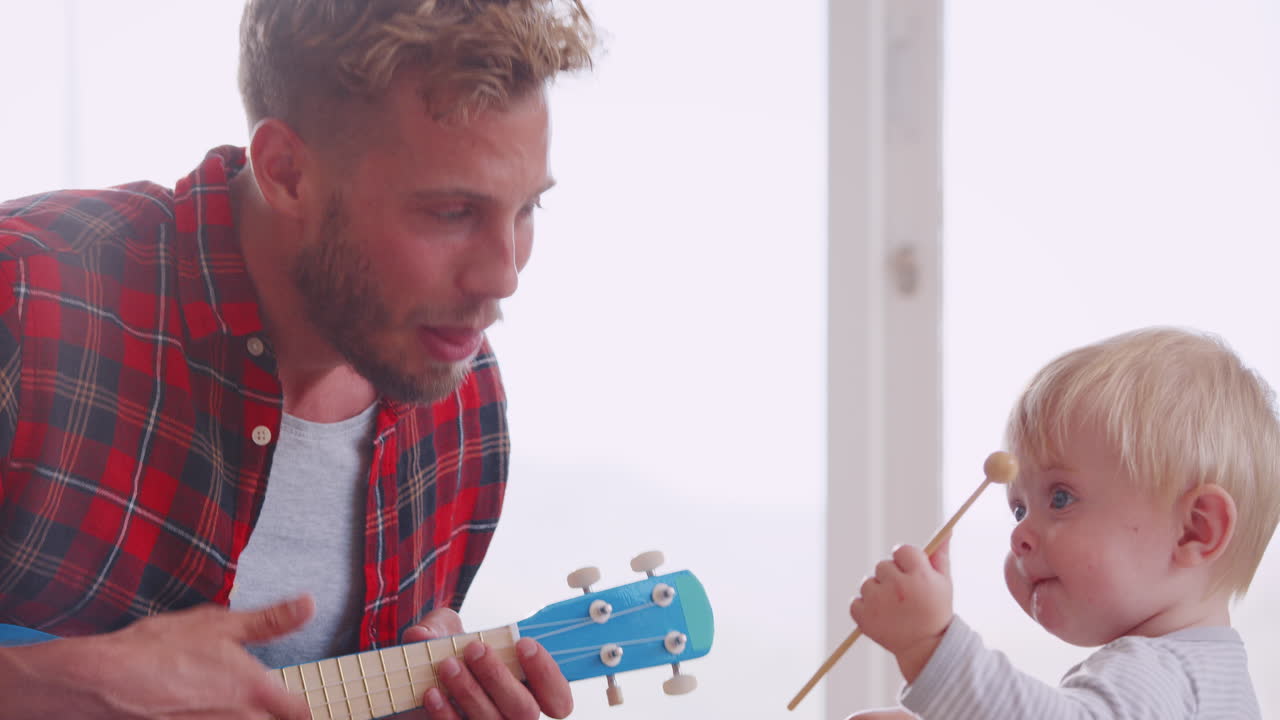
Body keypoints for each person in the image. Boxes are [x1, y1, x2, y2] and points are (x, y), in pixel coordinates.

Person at [0, 1, 596, 718]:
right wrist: (53, 685)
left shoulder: (464, 402)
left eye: (528, 209)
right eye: (451, 213)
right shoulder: (24, 300)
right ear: (286, 172)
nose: (503, 277)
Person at [845, 327, 1280, 719]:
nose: (1019, 535)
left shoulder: (1162, 673)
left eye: (1060, 498)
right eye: (1019, 509)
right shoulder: (1206, 679)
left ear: (1195, 530)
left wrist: (930, 646)